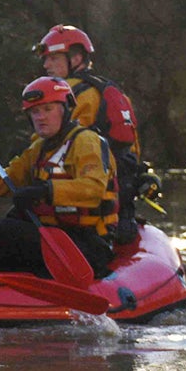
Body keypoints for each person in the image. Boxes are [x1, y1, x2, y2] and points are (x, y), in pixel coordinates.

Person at [0, 75, 120, 279]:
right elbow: (4, 185)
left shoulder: (86, 142)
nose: (40, 117)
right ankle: (0, 285)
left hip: (89, 242)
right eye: (35, 112)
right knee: (4, 228)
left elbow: (93, 190)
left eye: (48, 109)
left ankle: (5, 286)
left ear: (65, 109)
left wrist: (45, 191)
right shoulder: (38, 149)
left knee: (7, 232)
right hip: (54, 235)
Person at [33, 24, 158, 240]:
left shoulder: (69, 95)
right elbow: (133, 150)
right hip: (121, 210)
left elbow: (43, 147)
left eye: (53, 58)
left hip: (80, 214)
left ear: (76, 57)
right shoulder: (115, 93)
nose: (46, 65)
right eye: (45, 59)